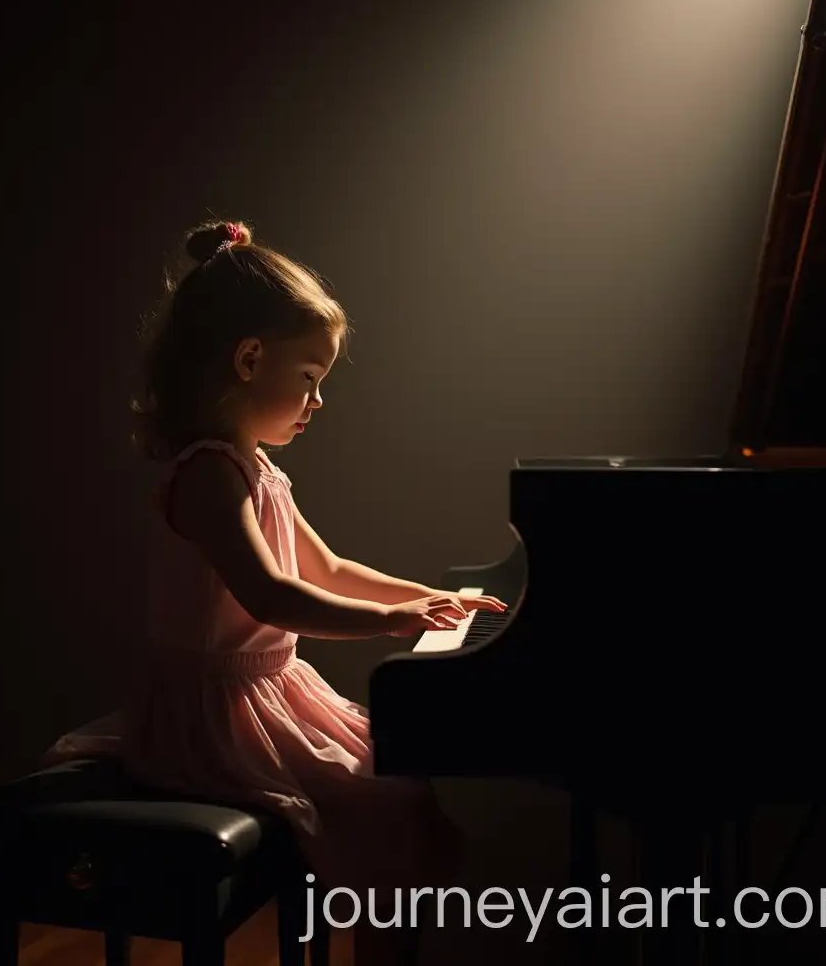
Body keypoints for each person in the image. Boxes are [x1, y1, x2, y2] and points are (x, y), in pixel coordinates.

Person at [45, 219, 507, 966]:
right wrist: (392, 619)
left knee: (401, 780)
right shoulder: (206, 476)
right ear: (250, 359)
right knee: (384, 803)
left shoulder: (258, 468)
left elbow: (324, 566)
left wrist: (422, 594)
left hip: (271, 691)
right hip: (214, 712)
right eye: (309, 378)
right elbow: (272, 597)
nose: (317, 401)